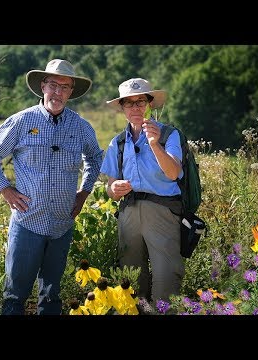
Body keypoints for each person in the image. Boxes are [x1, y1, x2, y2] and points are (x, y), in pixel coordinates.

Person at [0, 59, 103, 315]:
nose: (58, 92)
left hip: (61, 225)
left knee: (51, 297)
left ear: (71, 92)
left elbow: (95, 157)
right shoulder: (23, 121)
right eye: (53, 85)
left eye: (65, 87)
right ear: (43, 86)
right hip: (27, 223)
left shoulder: (80, 127)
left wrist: (84, 192)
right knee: (14, 297)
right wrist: (5, 188)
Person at [100, 77, 184, 305]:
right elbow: (110, 188)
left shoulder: (169, 135)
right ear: (123, 108)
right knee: (131, 279)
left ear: (150, 104)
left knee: (166, 277)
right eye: (129, 103)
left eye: (141, 101)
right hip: (128, 213)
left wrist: (155, 144)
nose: (135, 107)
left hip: (162, 212)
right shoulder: (117, 143)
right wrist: (114, 189)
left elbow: (173, 173)